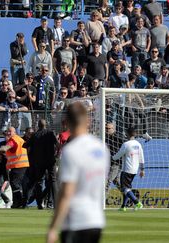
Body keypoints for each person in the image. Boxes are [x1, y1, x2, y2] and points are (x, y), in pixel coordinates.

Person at [47, 102, 109, 243]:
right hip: (96, 220)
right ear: (88, 120)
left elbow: (67, 192)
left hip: (75, 220)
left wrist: (53, 227)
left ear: (67, 123)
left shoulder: (71, 151)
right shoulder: (102, 149)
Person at [0, 127, 29, 208]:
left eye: (10, 131)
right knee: (16, 184)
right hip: (21, 165)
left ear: (15, 132)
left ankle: (21, 202)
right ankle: (17, 203)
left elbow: (4, 148)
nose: (8, 133)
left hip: (18, 165)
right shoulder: (19, 139)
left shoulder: (13, 140)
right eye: (7, 131)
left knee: (15, 184)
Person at [23, 119, 58, 209]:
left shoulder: (35, 135)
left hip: (39, 162)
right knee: (53, 180)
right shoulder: (51, 133)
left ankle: (39, 203)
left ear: (38, 125)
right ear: (45, 125)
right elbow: (57, 145)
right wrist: (56, 154)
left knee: (39, 182)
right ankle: (56, 203)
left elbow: (25, 145)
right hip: (50, 160)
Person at [112, 127, 145, 211]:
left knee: (125, 189)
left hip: (126, 169)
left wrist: (111, 157)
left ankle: (137, 203)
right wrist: (142, 170)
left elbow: (117, 156)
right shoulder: (138, 144)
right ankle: (124, 206)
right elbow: (141, 157)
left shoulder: (126, 144)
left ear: (127, 134)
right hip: (135, 170)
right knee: (127, 188)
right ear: (135, 134)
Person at [105, 123, 124, 194]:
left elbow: (125, 147)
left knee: (107, 181)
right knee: (116, 181)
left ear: (113, 129)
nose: (106, 130)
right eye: (106, 128)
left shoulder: (118, 138)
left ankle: (102, 201)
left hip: (117, 163)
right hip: (110, 163)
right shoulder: (105, 137)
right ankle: (129, 197)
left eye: (108, 129)